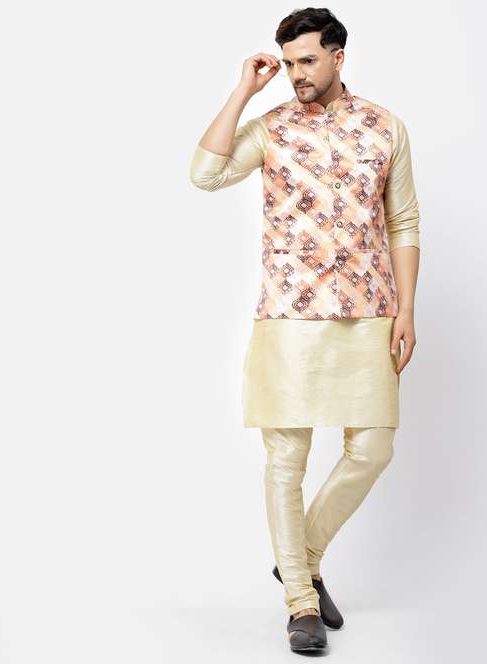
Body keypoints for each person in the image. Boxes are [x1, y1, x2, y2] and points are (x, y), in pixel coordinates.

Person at [189, 7, 420, 654]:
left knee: (372, 449)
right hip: (290, 317)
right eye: (289, 63)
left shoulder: (385, 128)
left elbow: (403, 221)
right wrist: (244, 90)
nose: (297, 74)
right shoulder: (272, 129)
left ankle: (303, 558)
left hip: (369, 312)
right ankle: (300, 600)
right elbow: (205, 174)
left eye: (308, 61)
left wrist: (406, 309)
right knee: (286, 461)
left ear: (339, 57)